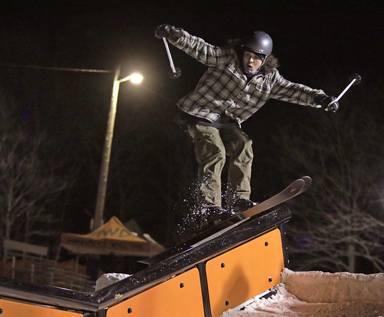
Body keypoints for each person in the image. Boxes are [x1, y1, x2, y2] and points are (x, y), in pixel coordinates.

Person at [155, 24, 338, 217]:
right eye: (247, 55)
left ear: (264, 60)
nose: (250, 62)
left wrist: (320, 99)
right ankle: (207, 206)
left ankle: (238, 200)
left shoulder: (270, 79)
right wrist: (174, 35)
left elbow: (293, 90)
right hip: (199, 113)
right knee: (215, 150)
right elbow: (200, 48)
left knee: (244, 145)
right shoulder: (226, 58)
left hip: (227, 120)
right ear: (242, 52)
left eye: (256, 59)